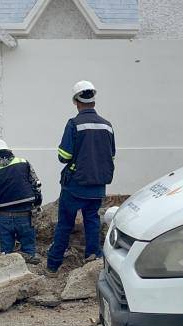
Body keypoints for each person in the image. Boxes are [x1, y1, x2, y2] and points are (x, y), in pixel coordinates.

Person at [46, 80, 116, 274]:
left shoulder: (74, 124)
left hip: (75, 185)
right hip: (98, 186)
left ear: (76, 102)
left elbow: (64, 156)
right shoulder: (107, 126)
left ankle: (53, 265)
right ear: (94, 101)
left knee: (65, 224)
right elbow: (111, 155)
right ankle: (92, 257)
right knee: (92, 220)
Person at [0, 139, 43, 264]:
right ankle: (30, 277)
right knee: (29, 252)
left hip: (4, 218)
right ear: (8, 151)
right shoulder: (24, 163)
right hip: (26, 215)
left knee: (6, 256)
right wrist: (37, 204)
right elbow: (36, 185)